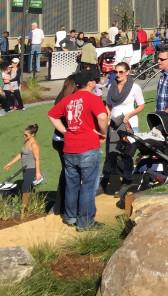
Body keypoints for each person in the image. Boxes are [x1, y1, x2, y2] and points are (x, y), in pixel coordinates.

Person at [48, 70, 109, 231]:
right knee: (88, 186)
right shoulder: (93, 98)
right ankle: (86, 221)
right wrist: (103, 132)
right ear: (90, 83)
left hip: (70, 146)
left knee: (72, 183)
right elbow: (102, 117)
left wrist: (64, 131)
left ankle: (70, 216)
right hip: (88, 145)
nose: (95, 82)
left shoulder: (68, 99)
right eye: (94, 80)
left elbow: (52, 115)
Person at [105, 61, 144, 181]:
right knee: (111, 151)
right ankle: (110, 178)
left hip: (129, 123)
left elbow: (141, 106)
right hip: (114, 123)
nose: (118, 74)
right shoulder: (112, 86)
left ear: (127, 72)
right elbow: (109, 105)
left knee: (127, 152)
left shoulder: (135, 87)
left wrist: (129, 115)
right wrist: (107, 119)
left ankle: (128, 178)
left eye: (121, 72)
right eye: (115, 72)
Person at [49, 76, 77, 217]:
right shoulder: (69, 100)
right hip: (65, 138)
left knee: (66, 171)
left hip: (58, 138)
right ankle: (63, 207)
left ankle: (60, 206)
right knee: (69, 172)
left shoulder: (60, 97)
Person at [3, 124, 42, 212]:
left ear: (33, 134)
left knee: (25, 187)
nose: (24, 136)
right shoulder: (26, 142)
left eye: (26, 135)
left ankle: (24, 208)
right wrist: (10, 163)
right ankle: (33, 204)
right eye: (24, 134)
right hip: (24, 168)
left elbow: (37, 159)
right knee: (29, 187)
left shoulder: (34, 144)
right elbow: (21, 154)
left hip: (31, 169)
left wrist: (37, 172)